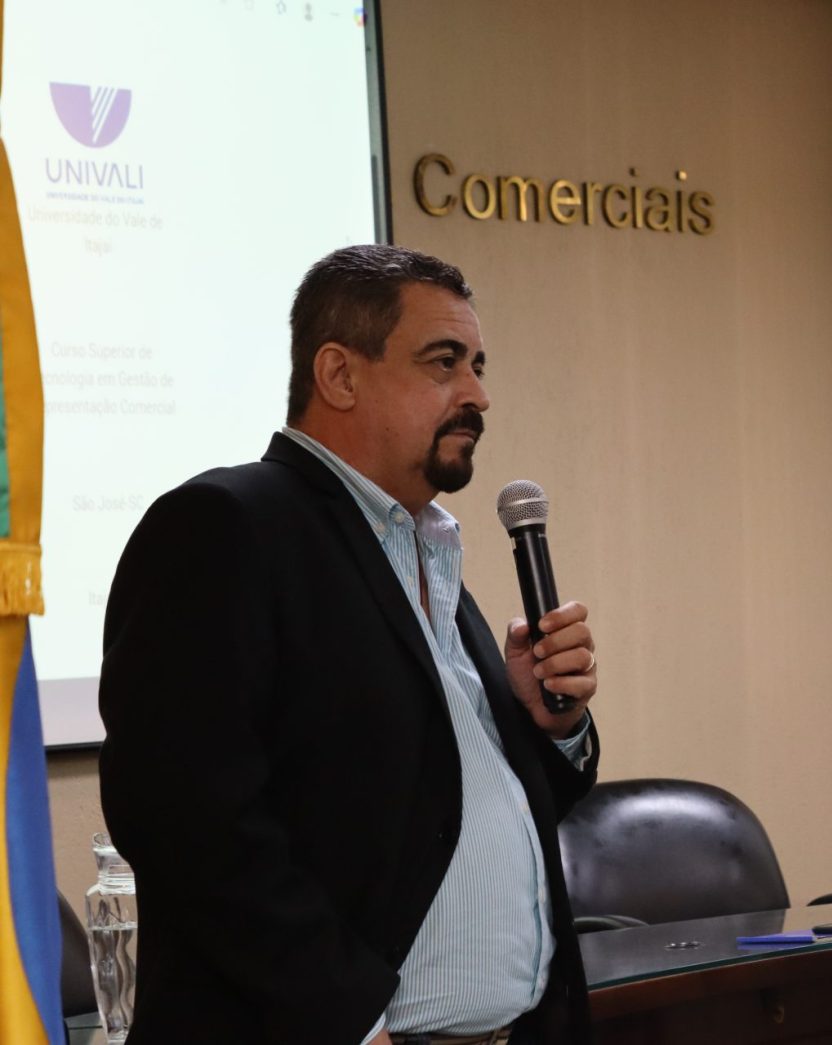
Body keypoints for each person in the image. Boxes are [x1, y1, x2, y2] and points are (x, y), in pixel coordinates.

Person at [99, 245, 601, 1044]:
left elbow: (433, 805)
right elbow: (187, 820)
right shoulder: (225, 524)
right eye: (444, 362)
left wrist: (547, 726)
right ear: (338, 374)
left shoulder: (425, 549)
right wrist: (350, 1018)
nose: (478, 394)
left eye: (477, 366)